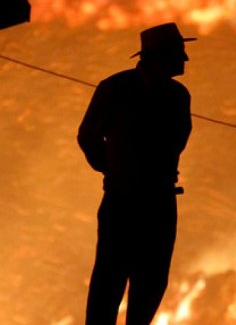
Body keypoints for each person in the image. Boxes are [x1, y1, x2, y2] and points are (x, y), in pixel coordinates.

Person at [78, 22, 195, 325]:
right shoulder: (119, 89)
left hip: (147, 198)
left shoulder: (176, 95)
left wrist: (116, 168)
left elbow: (89, 137)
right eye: (180, 52)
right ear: (161, 55)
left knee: (148, 281)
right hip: (133, 200)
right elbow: (88, 136)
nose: (185, 59)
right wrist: (117, 170)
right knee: (112, 279)